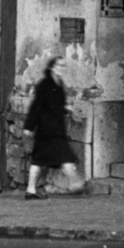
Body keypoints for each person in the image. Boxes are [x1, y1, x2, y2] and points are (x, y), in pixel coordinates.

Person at [22, 56, 86, 199]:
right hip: (48, 129)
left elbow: (56, 105)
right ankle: (75, 184)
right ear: (52, 67)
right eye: (59, 66)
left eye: (64, 66)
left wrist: (68, 109)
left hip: (55, 128)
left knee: (40, 160)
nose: (62, 68)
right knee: (64, 157)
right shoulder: (44, 85)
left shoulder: (59, 84)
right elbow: (36, 106)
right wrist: (29, 126)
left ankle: (30, 191)